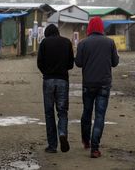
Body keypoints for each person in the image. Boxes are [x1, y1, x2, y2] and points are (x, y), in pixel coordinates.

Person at [75, 16, 119, 158]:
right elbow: (115, 62)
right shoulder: (110, 42)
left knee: (87, 113)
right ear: (101, 27)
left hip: (88, 84)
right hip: (104, 85)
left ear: (89, 27)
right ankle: (95, 148)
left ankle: (86, 140)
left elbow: (79, 63)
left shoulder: (83, 43)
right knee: (100, 115)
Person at [37, 24, 74, 153]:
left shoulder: (44, 43)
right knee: (62, 112)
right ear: (57, 32)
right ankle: (62, 133)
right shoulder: (67, 42)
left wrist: (47, 72)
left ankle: (52, 146)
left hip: (48, 81)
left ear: (47, 33)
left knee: (49, 113)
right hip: (63, 80)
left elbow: (39, 62)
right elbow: (70, 64)